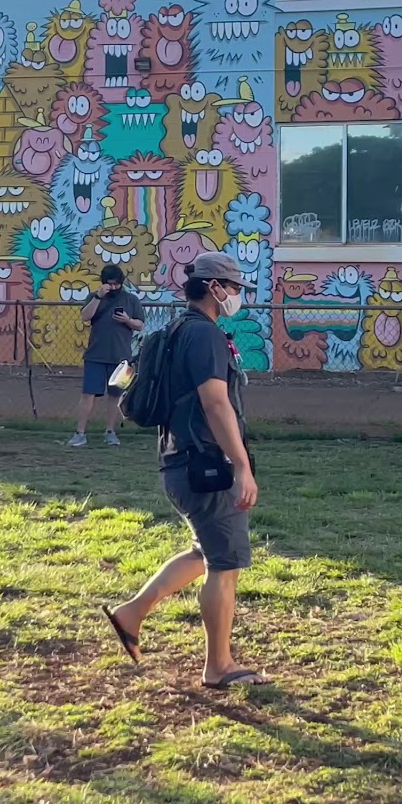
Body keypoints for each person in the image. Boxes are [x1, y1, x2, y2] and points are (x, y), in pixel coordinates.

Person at [101, 251, 268, 688]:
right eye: (233, 287)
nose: (236, 295)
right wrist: (242, 465)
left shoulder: (172, 330)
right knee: (225, 564)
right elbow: (216, 402)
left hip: (177, 462)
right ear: (214, 288)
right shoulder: (206, 336)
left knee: (204, 553)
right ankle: (219, 666)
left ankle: (130, 613)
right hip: (207, 465)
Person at [70, 264, 145, 447]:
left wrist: (127, 320)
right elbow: (85, 317)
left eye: (116, 284)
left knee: (115, 395)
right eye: (109, 284)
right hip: (95, 355)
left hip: (121, 357)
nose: (113, 287)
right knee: (88, 394)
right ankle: (80, 433)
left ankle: (110, 431)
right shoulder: (94, 297)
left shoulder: (131, 299)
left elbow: (140, 324)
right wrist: (98, 297)